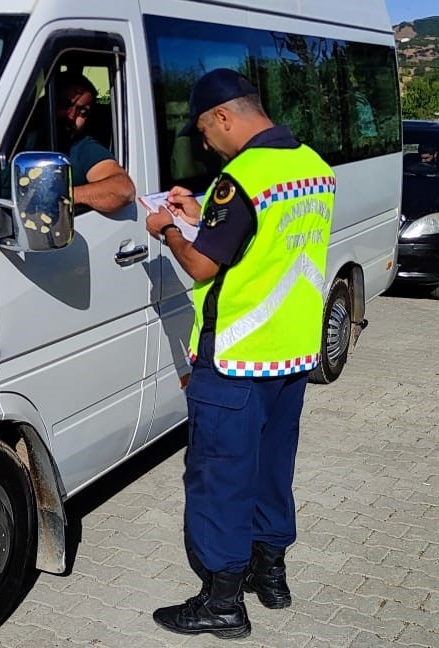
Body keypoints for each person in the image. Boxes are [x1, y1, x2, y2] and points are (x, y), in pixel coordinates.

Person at [144, 68, 336, 640]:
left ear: (225, 117)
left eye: (205, 133)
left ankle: (222, 603)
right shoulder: (312, 166)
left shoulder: (241, 176)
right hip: (292, 352)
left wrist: (169, 231)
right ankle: (271, 576)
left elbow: (204, 265)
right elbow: (269, 242)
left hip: (236, 356)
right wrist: (206, 217)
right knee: (273, 469)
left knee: (219, 476)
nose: (206, 145)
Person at [45, 70, 134, 213]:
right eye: (64, 104)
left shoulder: (83, 147)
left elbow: (123, 190)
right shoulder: (18, 137)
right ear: (46, 102)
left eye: (82, 112)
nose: (71, 116)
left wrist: (60, 195)